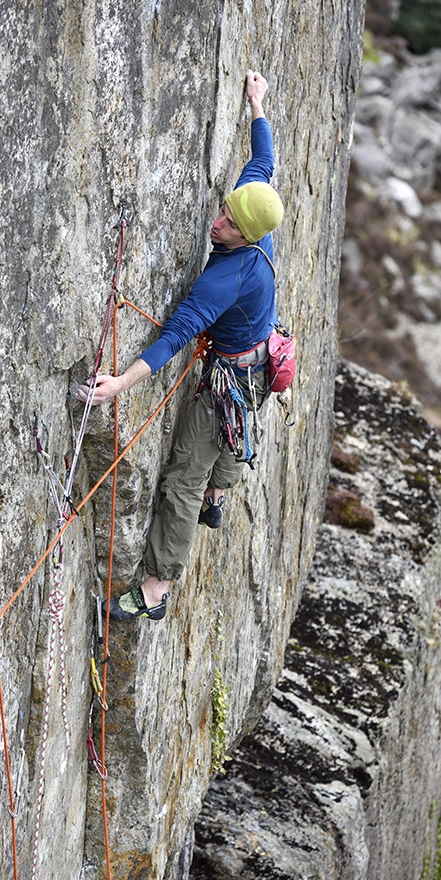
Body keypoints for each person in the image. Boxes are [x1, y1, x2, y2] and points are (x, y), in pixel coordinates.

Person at [76, 69, 284, 621]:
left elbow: (177, 334)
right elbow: (264, 159)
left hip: (232, 380)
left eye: (228, 227)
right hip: (262, 361)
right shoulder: (254, 205)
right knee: (234, 440)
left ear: (250, 237)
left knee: (182, 477)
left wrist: (120, 381)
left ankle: (156, 587)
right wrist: (256, 104)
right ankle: (221, 495)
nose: (217, 224)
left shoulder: (227, 277)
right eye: (223, 212)